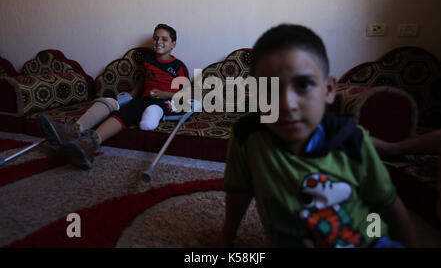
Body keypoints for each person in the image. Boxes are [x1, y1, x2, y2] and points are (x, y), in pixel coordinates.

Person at [206, 24, 418, 248]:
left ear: (328, 90)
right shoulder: (246, 137)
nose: (287, 104)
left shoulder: (353, 140)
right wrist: (226, 238)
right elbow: (239, 192)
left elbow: (387, 202)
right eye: (270, 88)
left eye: (304, 84)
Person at [37, 24, 190, 170]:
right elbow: (143, 80)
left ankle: (91, 141)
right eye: (156, 38)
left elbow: (187, 93)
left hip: (167, 102)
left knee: (151, 109)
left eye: (164, 39)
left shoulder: (178, 66)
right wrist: (130, 95)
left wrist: (165, 94)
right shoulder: (148, 61)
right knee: (121, 111)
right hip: (144, 99)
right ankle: (78, 134)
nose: (159, 42)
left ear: (173, 44)